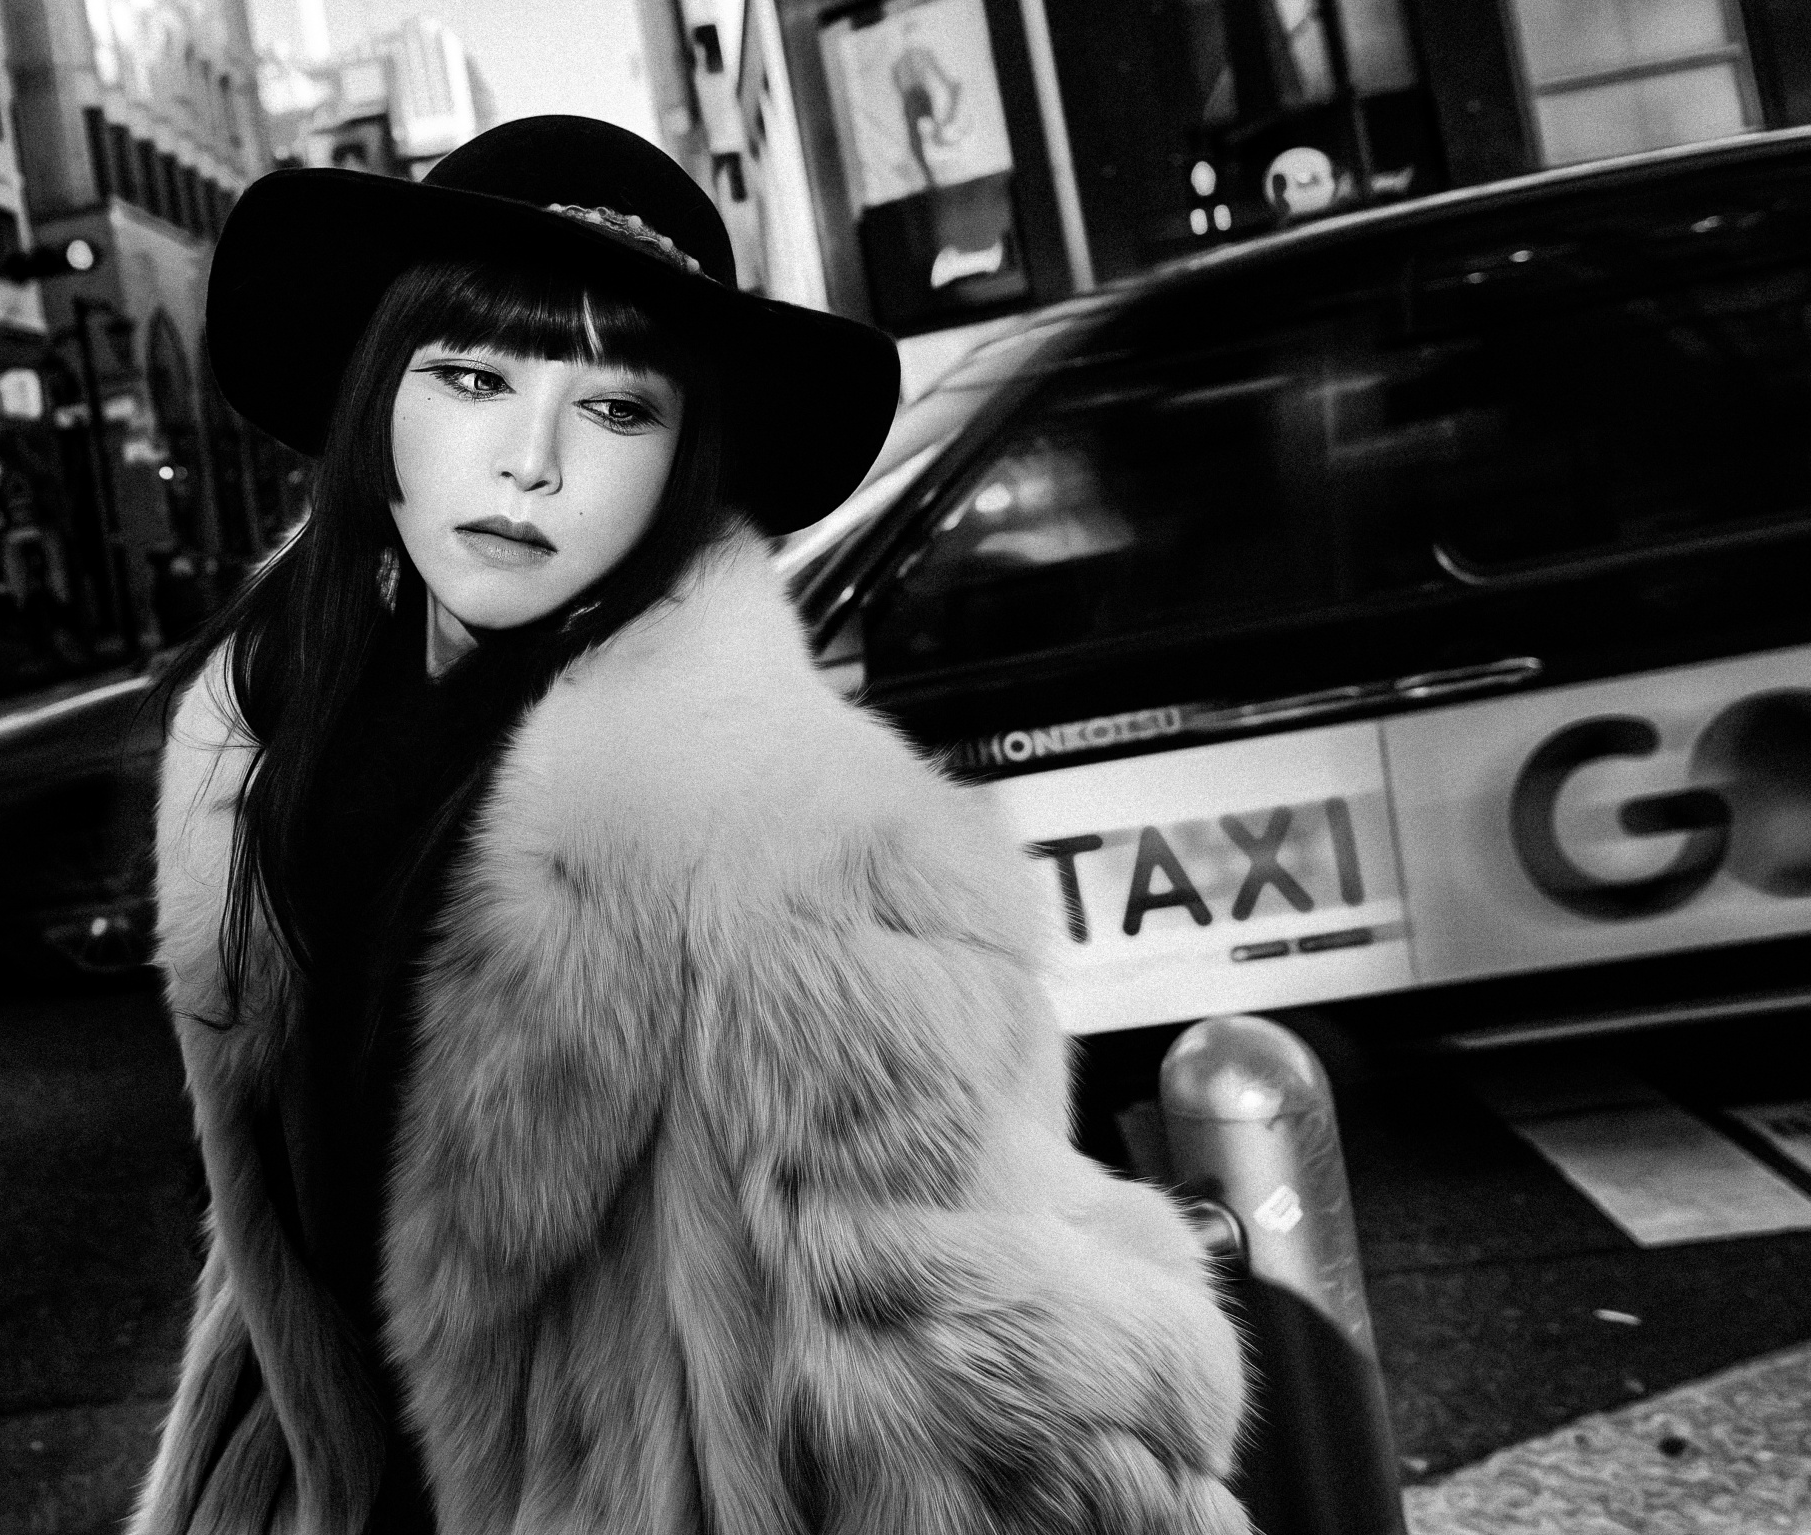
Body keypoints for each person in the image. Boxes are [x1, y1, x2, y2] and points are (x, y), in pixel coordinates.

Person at [134, 117, 1248, 1535]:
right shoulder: (277, 738)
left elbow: (979, 1378)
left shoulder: (794, 837)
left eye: (616, 409)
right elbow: (285, 1276)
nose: (529, 462)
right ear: (375, 398)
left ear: (685, 459)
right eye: (472, 377)